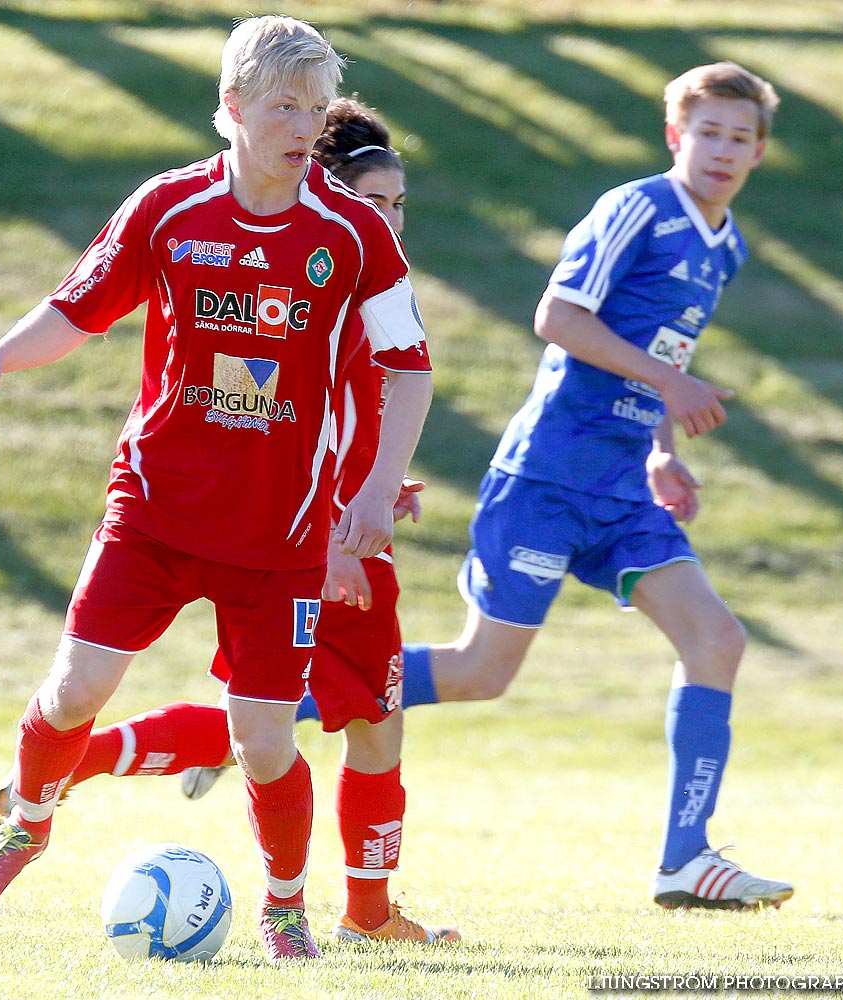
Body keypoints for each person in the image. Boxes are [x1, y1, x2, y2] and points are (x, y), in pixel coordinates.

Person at [0, 17, 433, 964]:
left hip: (283, 536)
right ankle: (28, 821)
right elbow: (78, 310)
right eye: (282, 105)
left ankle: (284, 907)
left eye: (315, 107)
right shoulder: (168, 209)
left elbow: (408, 366)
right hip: (155, 511)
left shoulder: (354, 231)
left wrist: (371, 493)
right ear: (231, 110)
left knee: (260, 742)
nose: (301, 125)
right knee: (75, 686)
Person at [294, 61, 794, 911]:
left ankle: (685, 858)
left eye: (739, 137)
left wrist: (662, 449)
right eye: (706, 131)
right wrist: (670, 391)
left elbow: (662, 357)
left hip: (625, 489)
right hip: (547, 479)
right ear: (676, 136)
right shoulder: (636, 208)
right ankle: (269, 710)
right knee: (483, 672)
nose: (721, 149)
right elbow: (558, 317)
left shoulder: (727, 247)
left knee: (718, 640)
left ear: (757, 153)